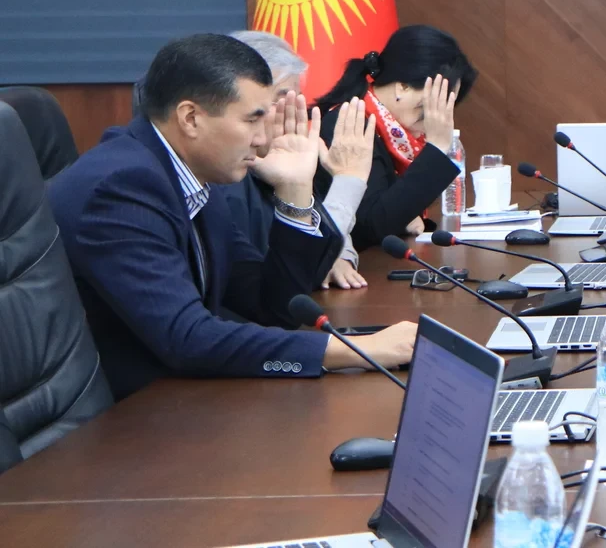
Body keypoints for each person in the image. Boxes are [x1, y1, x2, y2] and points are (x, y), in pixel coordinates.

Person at [48, 34, 417, 401]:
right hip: (124, 416)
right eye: (252, 120)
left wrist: (294, 190)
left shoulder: (188, 174)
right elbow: (187, 338)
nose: (262, 138)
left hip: (178, 396)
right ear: (191, 118)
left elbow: (272, 306)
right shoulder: (121, 188)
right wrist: (357, 351)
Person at [216, 30, 375, 291]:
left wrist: (340, 255)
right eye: (283, 99)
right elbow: (289, 278)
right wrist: (349, 181)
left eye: (299, 100)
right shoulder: (227, 181)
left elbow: (323, 238)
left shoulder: (284, 161)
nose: (297, 112)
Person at [312, 25, 477, 252]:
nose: (440, 117)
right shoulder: (352, 123)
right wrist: (438, 147)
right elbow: (371, 225)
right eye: (435, 105)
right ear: (403, 86)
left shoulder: (393, 132)